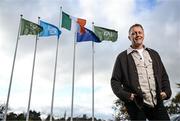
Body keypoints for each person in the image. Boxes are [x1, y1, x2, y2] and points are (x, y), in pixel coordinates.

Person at [111, 23, 171, 120]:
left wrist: (166, 92)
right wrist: (128, 96)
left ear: (143, 34)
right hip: (136, 105)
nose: (137, 35)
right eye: (134, 33)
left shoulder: (154, 54)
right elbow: (115, 81)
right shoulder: (122, 57)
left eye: (140, 32)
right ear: (129, 37)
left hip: (157, 102)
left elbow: (164, 75)